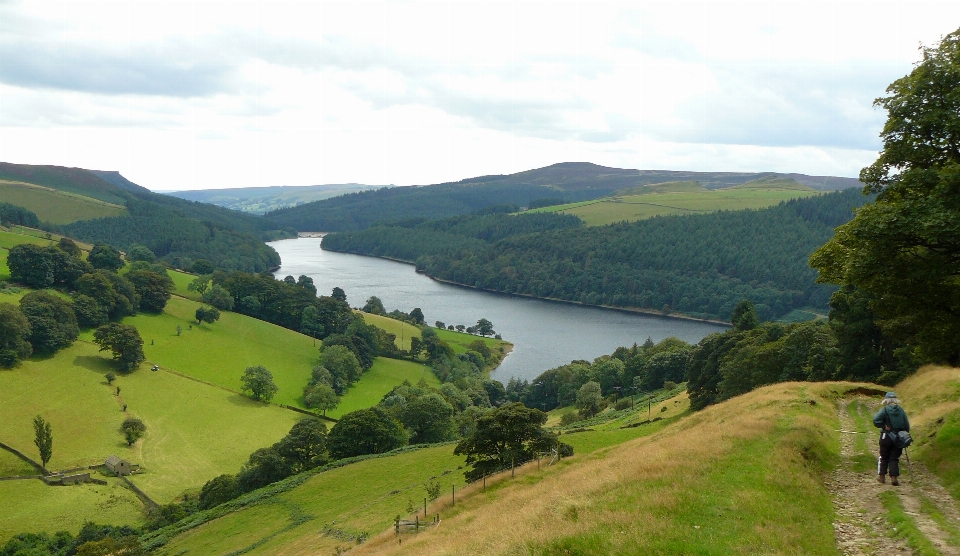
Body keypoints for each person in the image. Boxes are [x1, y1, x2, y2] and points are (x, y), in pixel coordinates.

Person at [873, 391, 910, 486]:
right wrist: (904, 434)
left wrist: (883, 426)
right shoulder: (901, 410)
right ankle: (894, 478)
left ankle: (882, 477)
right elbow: (906, 425)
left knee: (884, 457)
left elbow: (875, 420)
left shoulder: (884, 410)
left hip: (886, 436)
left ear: (887, 400)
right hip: (898, 437)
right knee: (894, 458)